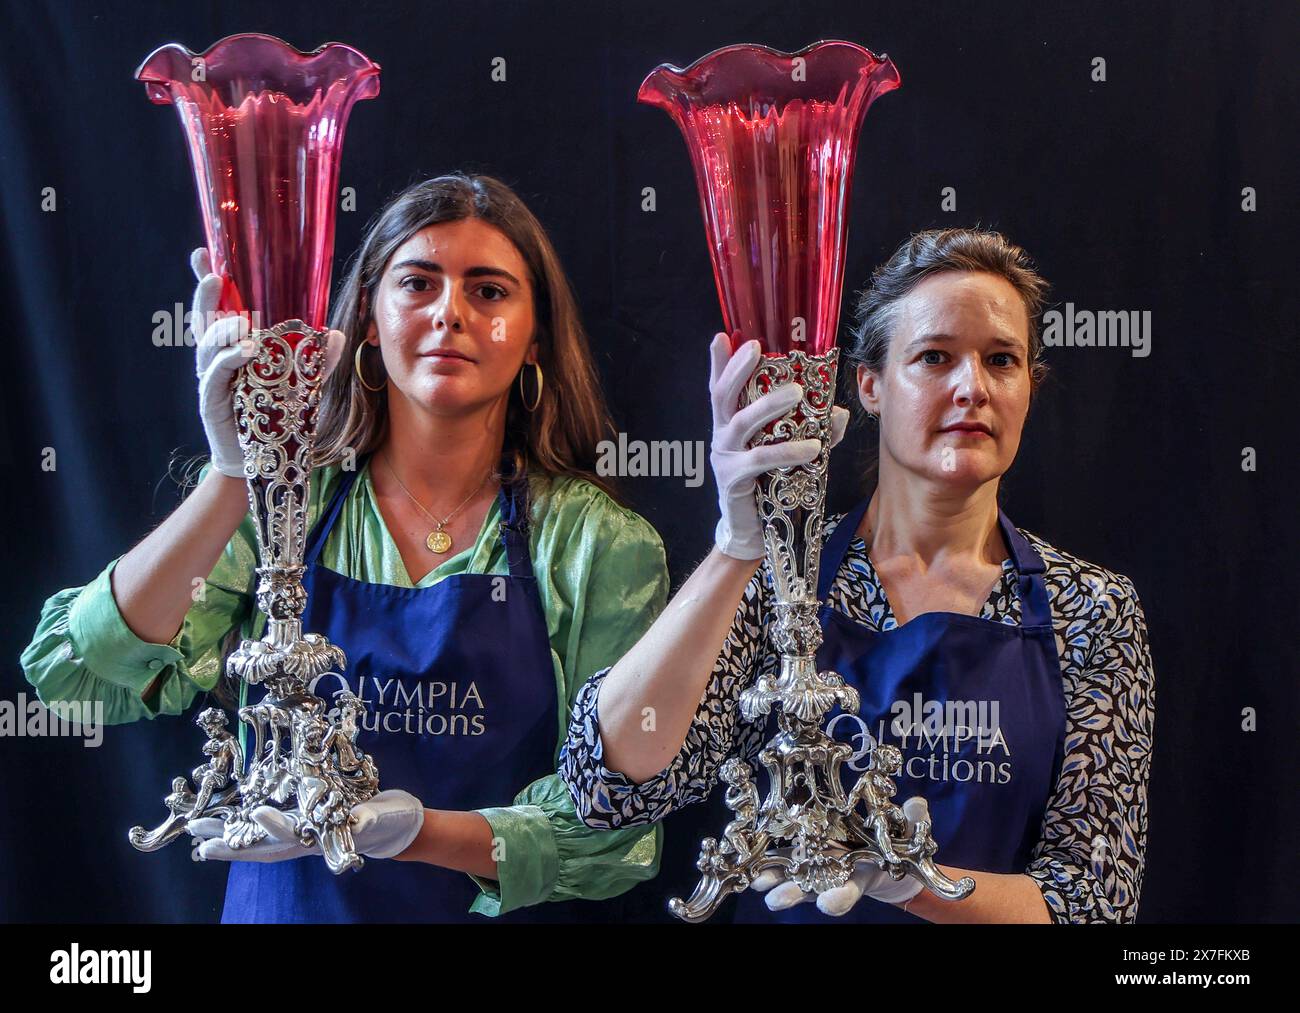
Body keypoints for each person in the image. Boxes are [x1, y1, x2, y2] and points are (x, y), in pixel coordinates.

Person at [22, 173, 669, 923]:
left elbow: (616, 831)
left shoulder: (598, 546)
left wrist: (413, 833)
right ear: (367, 318)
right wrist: (240, 471)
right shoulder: (285, 503)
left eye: (489, 292)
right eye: (418, 283)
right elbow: (76, 674)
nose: (449, 313)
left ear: (535, 340)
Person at [561, 228, 1155, 924]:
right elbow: (608, 785)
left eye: (1002, 360)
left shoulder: (1092, 609)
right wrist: (737, 545)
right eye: (934, 357)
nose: (973, 387)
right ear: (869, 385)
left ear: (1030, 387)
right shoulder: (783, 584)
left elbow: (1092, 903)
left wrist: (903, 879)